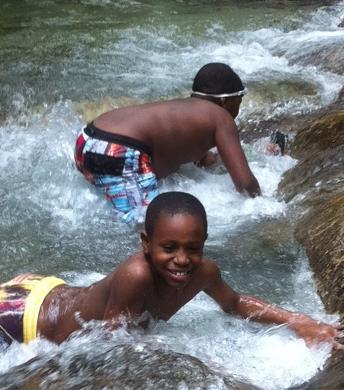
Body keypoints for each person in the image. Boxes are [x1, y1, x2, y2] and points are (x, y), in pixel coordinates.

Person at [1, 192, 343, 349]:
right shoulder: (136, 275)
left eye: (192, 248)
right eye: (169, 248)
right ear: (146, 243)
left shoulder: (204, 272)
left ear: (205, 243)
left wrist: (299, 321)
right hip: (24, 318)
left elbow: (235, 303)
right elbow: (106, 346)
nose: (182, 259)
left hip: (49, 290)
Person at [74, 63, 261, 222]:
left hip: (87, 140)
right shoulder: (221, 117)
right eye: (240, 99)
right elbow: (244, 183)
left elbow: (190, 153)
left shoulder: (182, 110)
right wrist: (264, 203)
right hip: (119, 151)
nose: (240, 105)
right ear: (224, 101)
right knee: (152, 226)